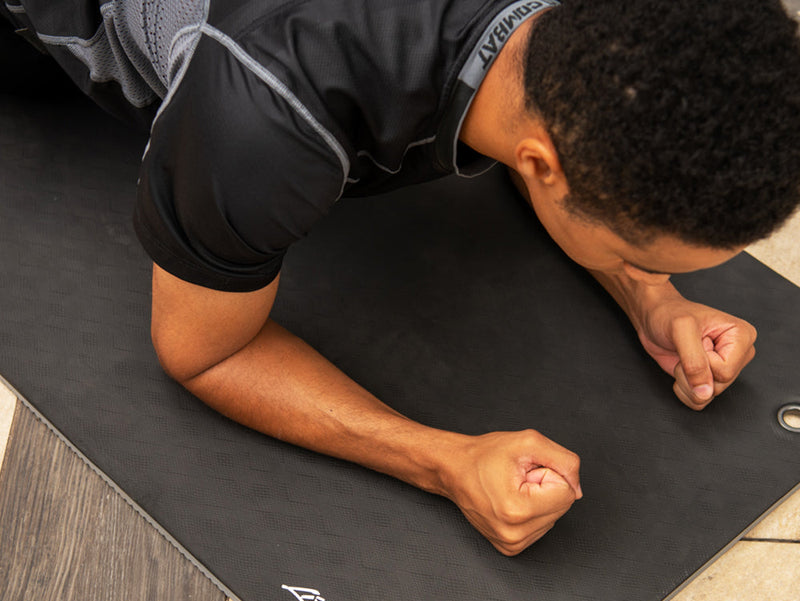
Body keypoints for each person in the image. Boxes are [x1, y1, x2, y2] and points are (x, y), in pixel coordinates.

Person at [5, 0, 800, 555]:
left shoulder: (602, 35)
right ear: (542, 166)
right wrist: (444, 461)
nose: (650, 273)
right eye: (651, 258)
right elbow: (205, 352)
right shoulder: (261, 115)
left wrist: (653, 298)